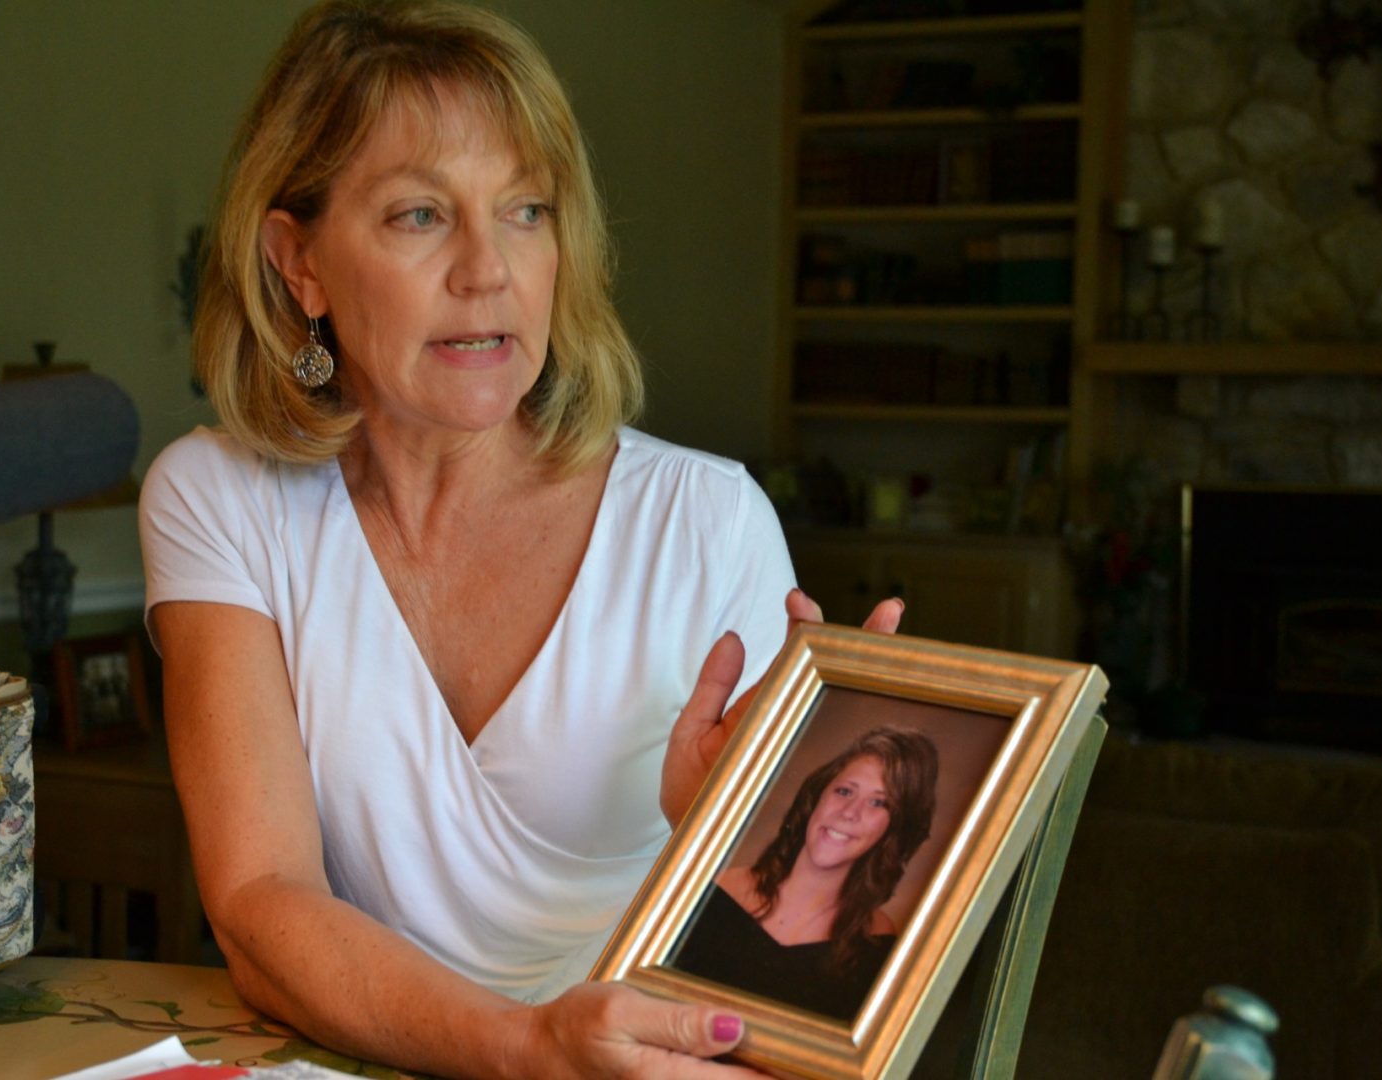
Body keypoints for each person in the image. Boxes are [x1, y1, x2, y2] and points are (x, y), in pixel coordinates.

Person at [137, 2, 901, 1075]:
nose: (487, 270)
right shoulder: (220, 498)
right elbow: (263, 901)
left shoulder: (705, 519)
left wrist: (718, 833)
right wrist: (526, 1047)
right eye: (418, 216)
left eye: (526, 211)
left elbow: (783, 955)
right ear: (297, 260)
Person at [674, 728, 940, 1021]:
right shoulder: (711, 891)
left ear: (894, 828)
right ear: (817, 797)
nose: (850, 812)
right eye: (844, 791)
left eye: (878, 802)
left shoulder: (877, 944)